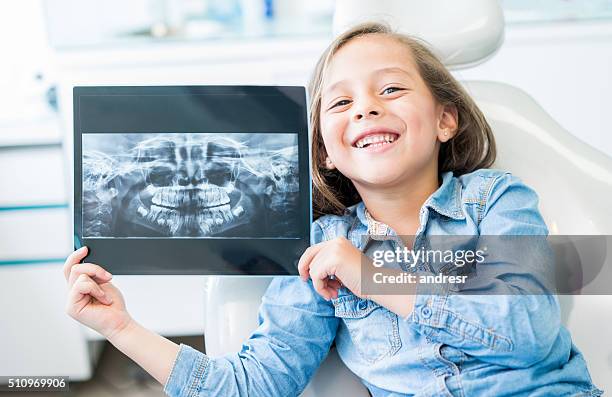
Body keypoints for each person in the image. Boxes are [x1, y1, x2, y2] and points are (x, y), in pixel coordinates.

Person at [63, 22, 602, 396]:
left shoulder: (499, 201)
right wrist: (120, 327)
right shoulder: (320, 251)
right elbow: (255, 386)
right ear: (325, 149)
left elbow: (527, 331)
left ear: (445, 120)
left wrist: (373, 276)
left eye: (390, 88)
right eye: (340, 102)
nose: (366, 106)